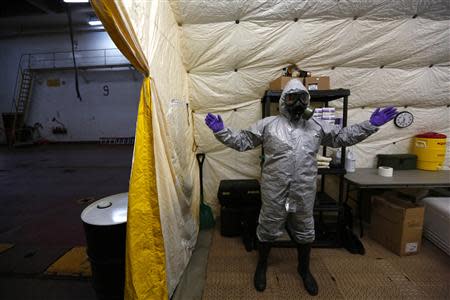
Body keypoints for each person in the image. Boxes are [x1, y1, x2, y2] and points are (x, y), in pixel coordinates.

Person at [204, 78, 397, 296]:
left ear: (308, 101)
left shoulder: (316, 125)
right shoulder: (268, 125)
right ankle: (262, 266)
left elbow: (341, 137)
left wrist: (370, 125)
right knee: (267, 228)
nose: (298, 103)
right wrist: (221, 131)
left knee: (305, 230)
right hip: (274, 191)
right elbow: (243, 141)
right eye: (292, 97)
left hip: (303, 190)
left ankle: (304, 269)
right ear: (284, 101)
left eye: (302, 98)